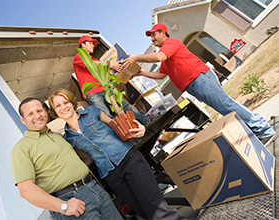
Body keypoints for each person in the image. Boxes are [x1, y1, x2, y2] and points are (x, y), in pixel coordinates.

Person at [123, 23, 276, 143]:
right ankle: (257, 128)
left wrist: (136, 58)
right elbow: (161, 74)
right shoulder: (165, 52)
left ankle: (263, 130)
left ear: (163, 33)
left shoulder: (170, 44)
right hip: (194, 84)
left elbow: (159, 58)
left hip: (199, 78)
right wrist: (142, 73)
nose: (152, 39)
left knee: (226, 105)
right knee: (224, 107)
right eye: (150, 37)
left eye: (154, 35)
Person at [48, 88, 186, 220]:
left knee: (157, 209)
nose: (63, 107)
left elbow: (118, 126)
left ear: (72, 103)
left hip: (128, 159)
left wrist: (140, 129)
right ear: (54, 111)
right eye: (58, 106)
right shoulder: (68, 138)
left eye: (65, 102)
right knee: (144, 212)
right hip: (111, 175)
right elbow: (87, 160)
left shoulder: (93, 112)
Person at [10, 97, 123, 220]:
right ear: (22, 119)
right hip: (71, 201)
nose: (37, 116)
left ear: (45, 111)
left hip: (94, 188)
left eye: (39, 110)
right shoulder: (21, 148)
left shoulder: (58, 135)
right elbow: (26, 189)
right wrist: (63, 206)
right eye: (30, 114)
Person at [73, 35, 148, 125]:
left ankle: (145, 122)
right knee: (107, 116)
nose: (92, 45)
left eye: (93, 43)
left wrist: (125, 72)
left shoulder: (96, 60)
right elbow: (92, 64)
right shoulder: (80, 56)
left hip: (105, 89)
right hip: (93, 93)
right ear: (83, 45)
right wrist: (110, 64)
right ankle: (121, 135)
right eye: (90, 43)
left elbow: (106, 72)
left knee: (124, 105)